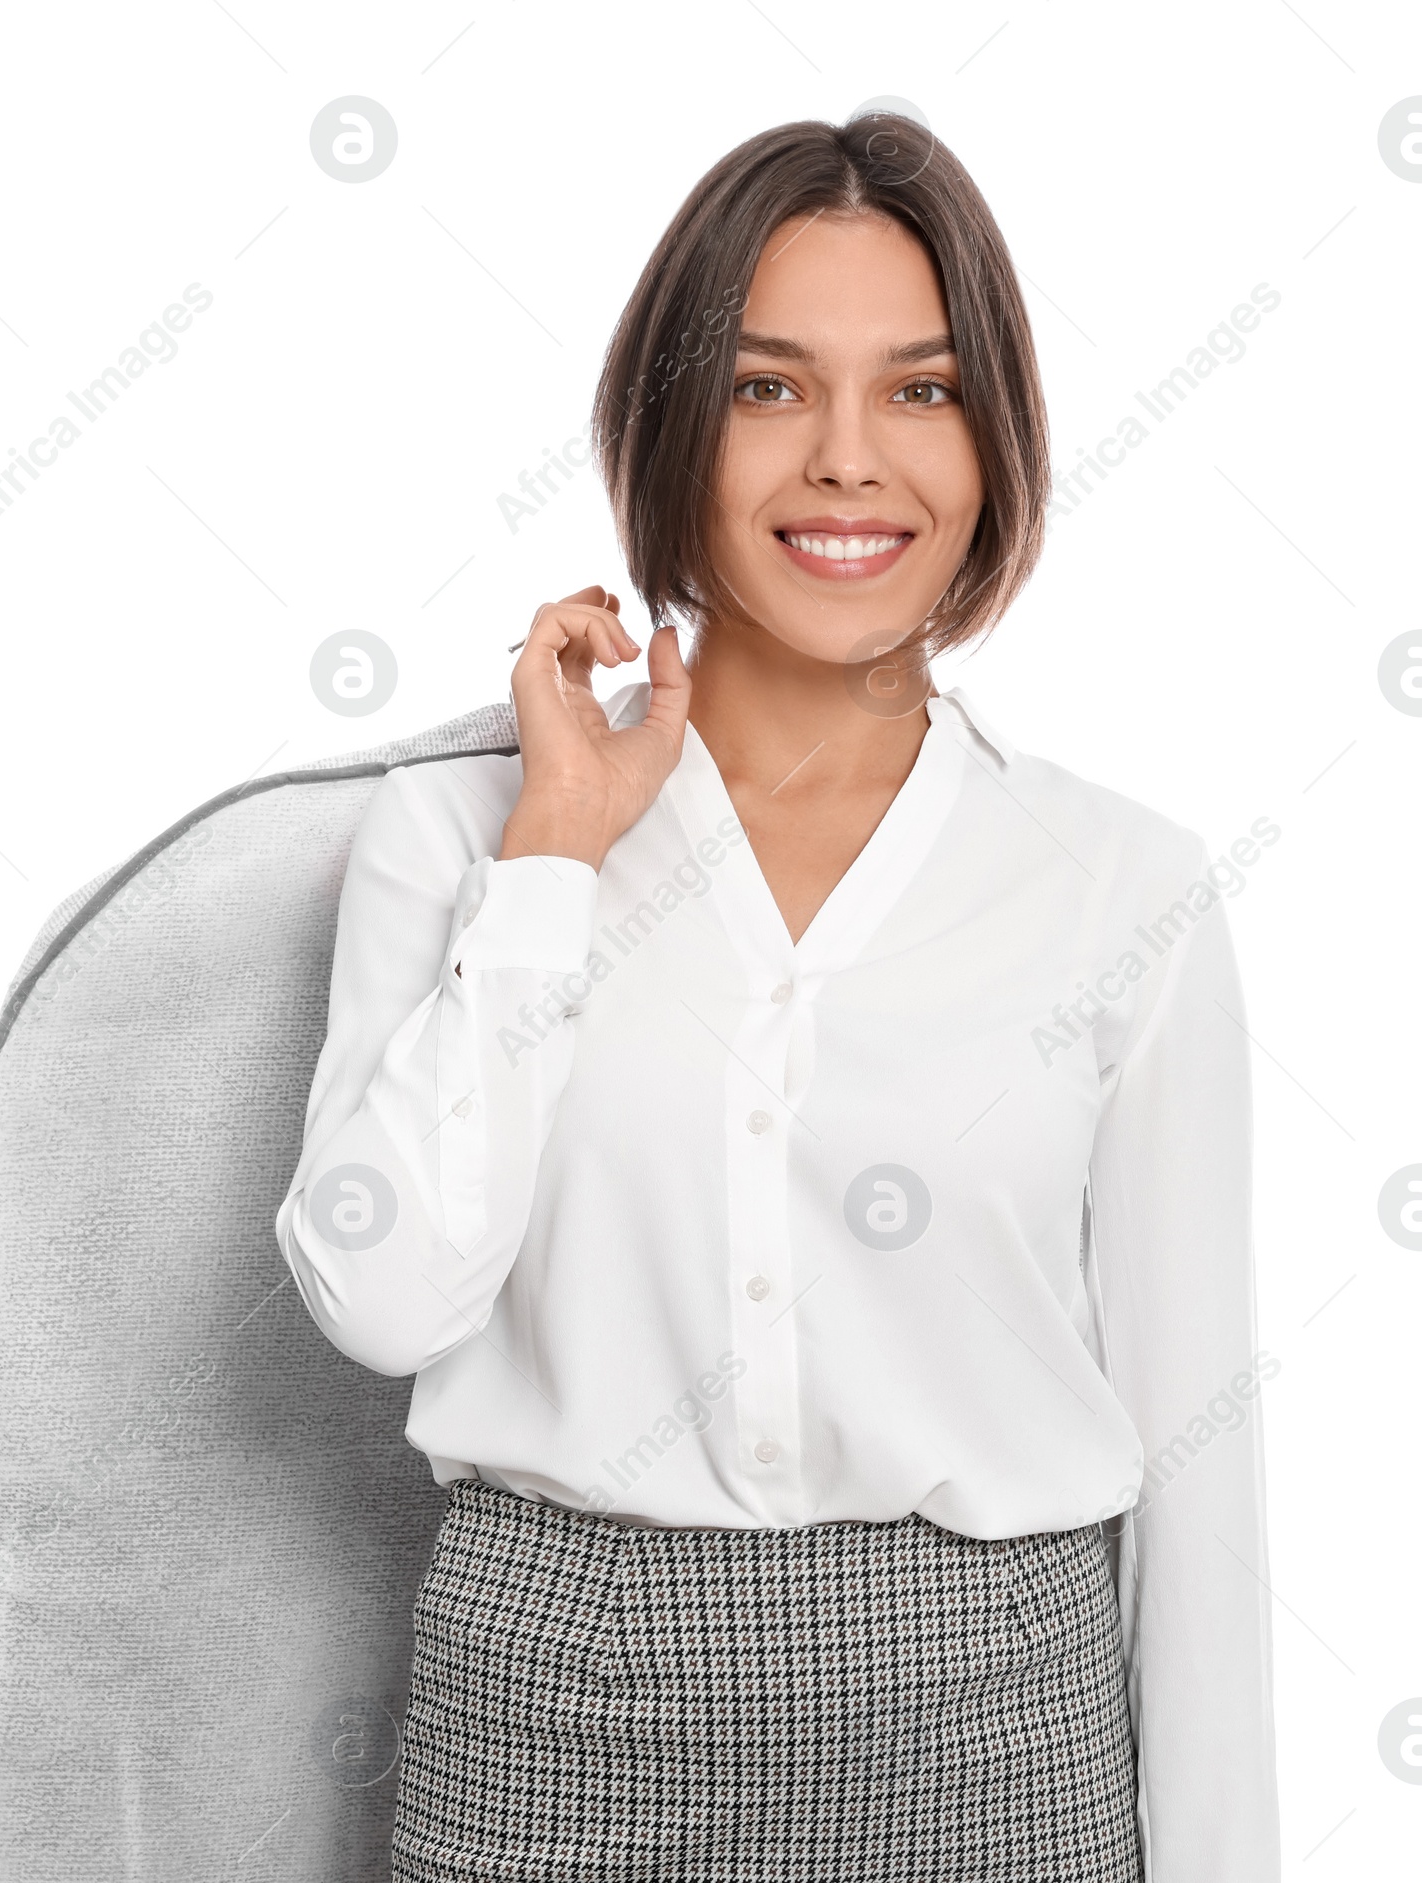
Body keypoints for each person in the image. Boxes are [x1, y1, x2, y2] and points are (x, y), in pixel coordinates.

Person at [276, 112, 1279, 1882]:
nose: (845, 463)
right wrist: (556, 864)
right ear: (670, 427)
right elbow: (383, 1296)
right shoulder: (461, 838)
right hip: (551, 1731)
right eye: (764, 389)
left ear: (997, 442)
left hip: (996, 1752)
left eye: (920, 390)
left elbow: (1202, 1471)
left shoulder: (1121, 889)